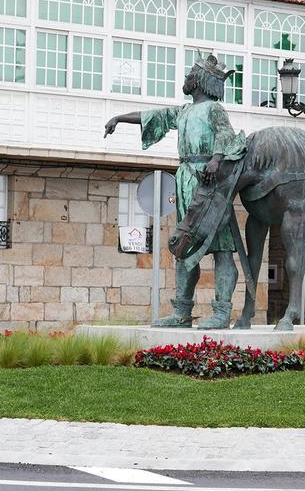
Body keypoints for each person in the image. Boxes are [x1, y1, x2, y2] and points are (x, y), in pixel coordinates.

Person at [104, 54, 246, 329]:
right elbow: (152, 115)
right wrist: (120, 117)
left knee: (222, 249)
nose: (186, 78)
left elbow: (225, 135)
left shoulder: (214, 110)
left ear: (202, 79)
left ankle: (222, 311)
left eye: (191, 73)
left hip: (209, 185)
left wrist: (216, 159)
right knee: (183, 246)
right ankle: (182, 311)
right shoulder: (183, 111)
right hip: (185, 180)